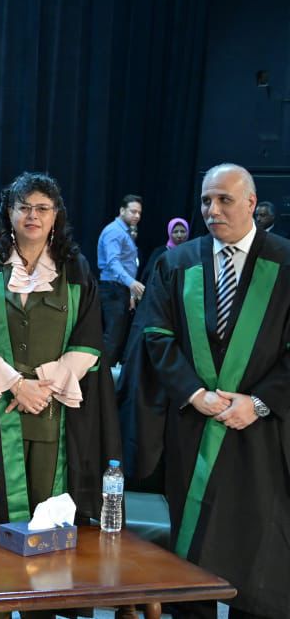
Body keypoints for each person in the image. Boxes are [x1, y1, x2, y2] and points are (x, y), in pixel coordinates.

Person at [129, 163, 290, 618]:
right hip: (195, 426)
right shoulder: (177, 262)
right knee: (192, 549)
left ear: (251, 203)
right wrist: (196, 394)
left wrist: (258, 403)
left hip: (261, 432)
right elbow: (156, 335)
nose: (212, 210)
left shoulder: (285, 262)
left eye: (224, 200)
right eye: (206, 200)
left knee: (258, 550)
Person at [0, 172, 121, 537]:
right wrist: (17, 385)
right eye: (24, 207)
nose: (33, 216)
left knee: (51, 511)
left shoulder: (75, 270)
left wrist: (41, 387)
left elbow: (89, 339)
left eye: (42, 208)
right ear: (9, 213)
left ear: (55, 215)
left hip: (55, 406)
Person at [97, 194, 144, 365]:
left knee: (117, 336)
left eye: (139, 213)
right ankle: (101, 376)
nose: (137, 216)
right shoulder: (114, 231)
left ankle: (106, 374)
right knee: (112, 336)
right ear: (122, 210)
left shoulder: (126, 231)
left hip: (120, 289)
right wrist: (131, 283)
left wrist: (130, 292)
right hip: (112, 288)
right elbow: (113, 263)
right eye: (133, 211)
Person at [139, 217, 189, 284]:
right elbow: (149, 273)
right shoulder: (160, 252)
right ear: (169, 232)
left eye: (182, 231)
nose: (179, 235)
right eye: (175, 232)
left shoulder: (191, 252)